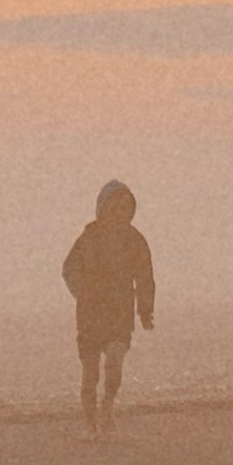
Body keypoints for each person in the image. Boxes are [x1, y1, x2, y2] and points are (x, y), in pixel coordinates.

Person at [62, 178, 157, 431]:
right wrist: (81, 292)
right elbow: (69, 268)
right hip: (90, 316)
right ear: (103, 207)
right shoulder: (88, 237)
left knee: (114, 367)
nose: (120, 212)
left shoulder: (135, 240)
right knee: (90, 375)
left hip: (119, 313)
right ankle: (91, 424)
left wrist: (145, 310)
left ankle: (107, 406)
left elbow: (145, 276)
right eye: (115, 206)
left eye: (126, 208)